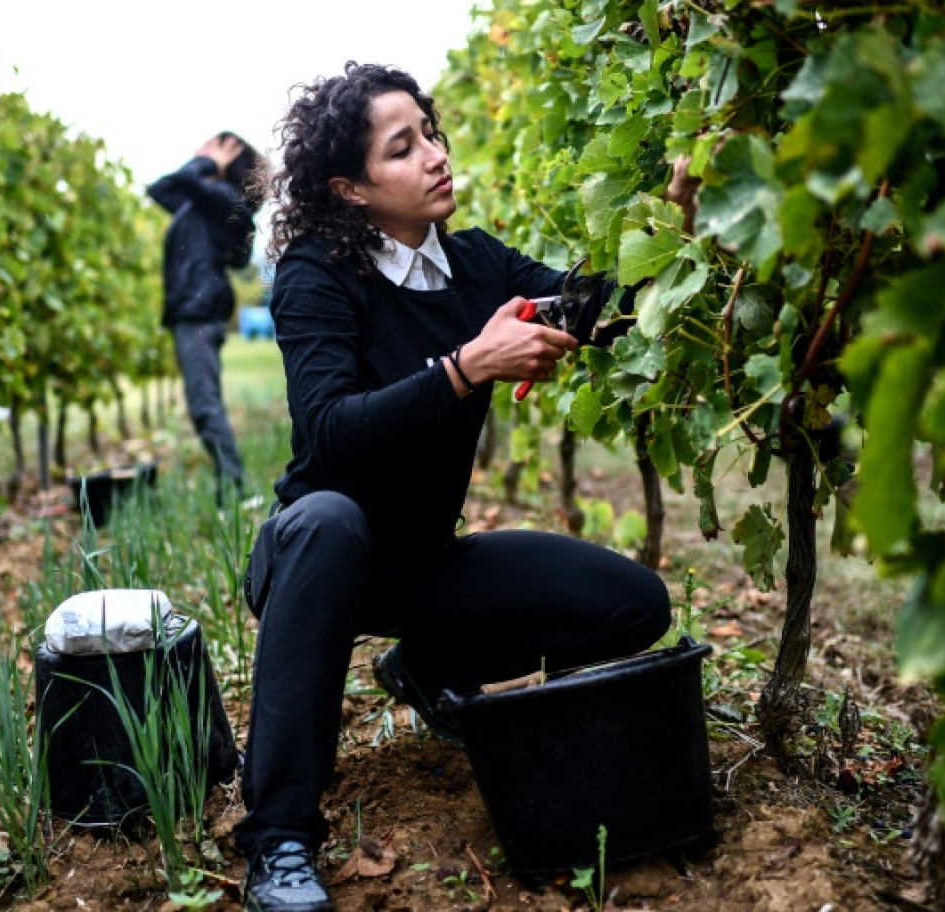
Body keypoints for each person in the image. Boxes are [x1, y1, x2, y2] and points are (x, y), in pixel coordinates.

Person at [236, 62, 687, 912]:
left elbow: (605, 310)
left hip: (423, 567)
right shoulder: (315, 274)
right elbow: (328, 430)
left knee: (635, 606)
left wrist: (679, 212)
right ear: (351, 188)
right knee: (331, 521)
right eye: (402, 148)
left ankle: (425, 668)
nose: (435, 155)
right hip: (319, 555)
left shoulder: (476, 266)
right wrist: (465, 366)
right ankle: (280, 838)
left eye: (430, 133)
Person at [147, 132, 263, 505]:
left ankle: (236, 491)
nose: (198, 150)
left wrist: (210, 163)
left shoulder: (223, 200)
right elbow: (160, 189)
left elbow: (179, 180)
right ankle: (231, 487)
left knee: (203, 403)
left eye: (211, 146)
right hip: (193, 310)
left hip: (198, 312)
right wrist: (208, 164)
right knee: (204, 402)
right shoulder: (202, 203)